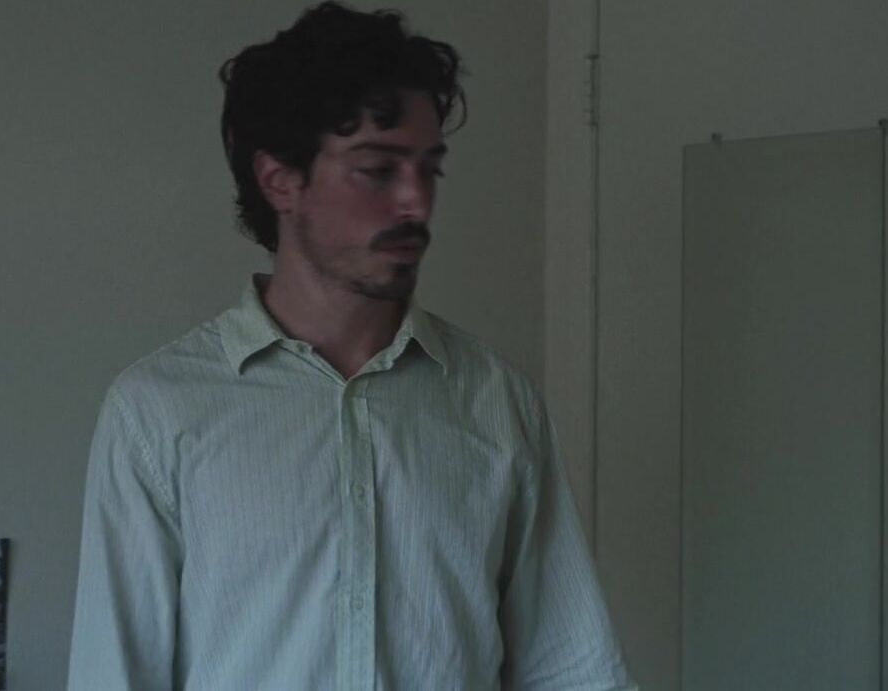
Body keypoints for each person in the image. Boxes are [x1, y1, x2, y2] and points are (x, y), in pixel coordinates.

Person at [67, 3, 635, 690]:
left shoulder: (496, 401)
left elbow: (571, 668)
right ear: (281, 180)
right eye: (378, 170)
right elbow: (115, 673)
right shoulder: (157, 411)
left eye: (429, 170)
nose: (415, 203)